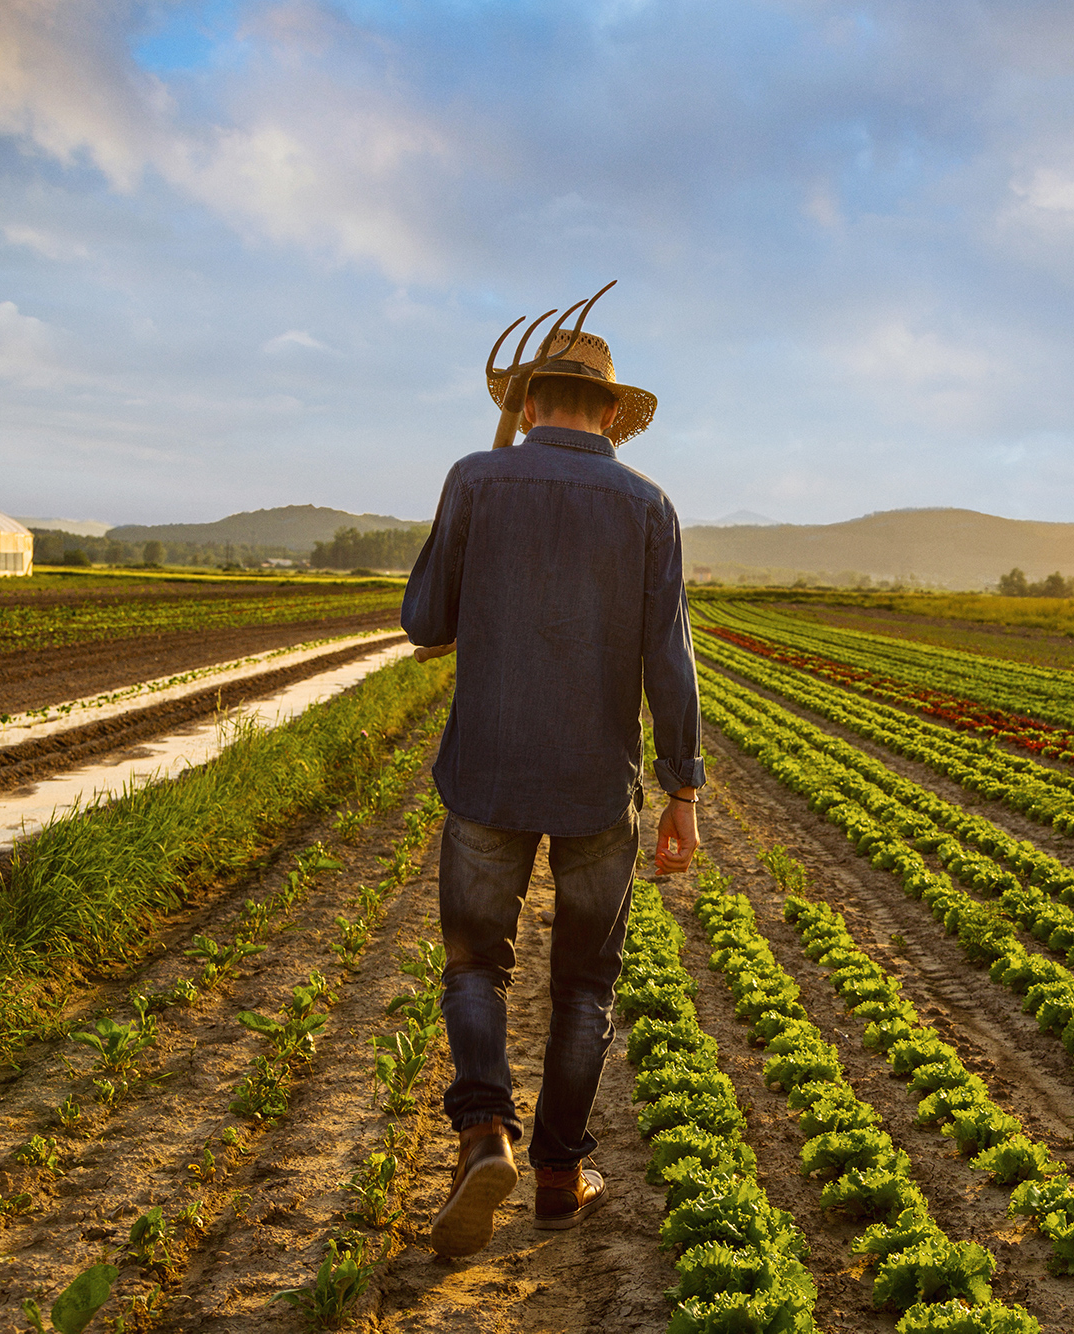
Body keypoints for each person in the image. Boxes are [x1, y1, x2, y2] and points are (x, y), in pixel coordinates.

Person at [401, 309, 703, 1258]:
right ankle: (561, 1176)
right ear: (611, 415)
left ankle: (484, 1132)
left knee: (474, 964)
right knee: (584, 986)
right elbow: (670, 660)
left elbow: (423, 620)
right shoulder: (648, 505)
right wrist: (683, 791)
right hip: (594, 789)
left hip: (487, 770)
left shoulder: (474, 479)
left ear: (528, 401)